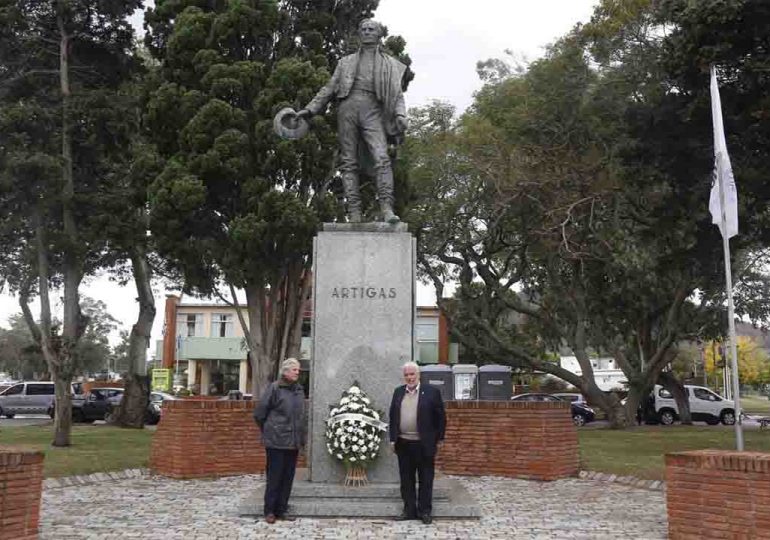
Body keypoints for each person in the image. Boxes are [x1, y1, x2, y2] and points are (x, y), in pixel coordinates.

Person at [297, 18, 408, 224]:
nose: (367, 32)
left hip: (373, 109)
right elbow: (329, 88)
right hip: (347, 107)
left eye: (371, 29)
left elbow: (397, 94)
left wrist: (401, 115)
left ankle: (387, 208)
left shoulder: (391, 65)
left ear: (379, 34)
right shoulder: (345, 62)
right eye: (363, 29)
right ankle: (354, 212)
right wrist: (310, 109)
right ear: (359, 33)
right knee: (348, 162)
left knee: (382, 158)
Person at [388, 361, 446, 524]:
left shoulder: (431, 392)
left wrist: (439, 438)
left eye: (412, 374)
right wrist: (392, 439)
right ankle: (409, 511)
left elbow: (440, 417)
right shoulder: (398, 392)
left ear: (418, 375)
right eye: (406, 375)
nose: (409, 377)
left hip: (424, 444)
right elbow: (393, 417)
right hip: (404, 443)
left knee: (426, 478)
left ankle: (425, 512)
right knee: (406, 480)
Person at [253, 357, 306, 524]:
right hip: (276, 441)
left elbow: (300, 416)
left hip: (293, 441)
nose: (297, 372)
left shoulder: (299, 390)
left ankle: (282, 509)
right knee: (275, 477)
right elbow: (260, 413)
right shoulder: (275, 388)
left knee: (287, 477)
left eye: (298, 370)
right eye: (294, 369)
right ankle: (269, 510)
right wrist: (270, 430)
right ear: (286, 371)